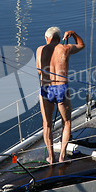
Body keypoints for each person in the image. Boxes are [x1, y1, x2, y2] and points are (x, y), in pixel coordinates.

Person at [36, 27, 85, 164]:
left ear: (47, 38)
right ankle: (62, 156)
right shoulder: (65, 48)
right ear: (60, 37)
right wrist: (74, 33)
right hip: (61, 88)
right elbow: (81, 45)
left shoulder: (40, 50)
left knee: (47, 124)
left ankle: (51, 158)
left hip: (46, 88)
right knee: (67, 122)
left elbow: (40, 72)